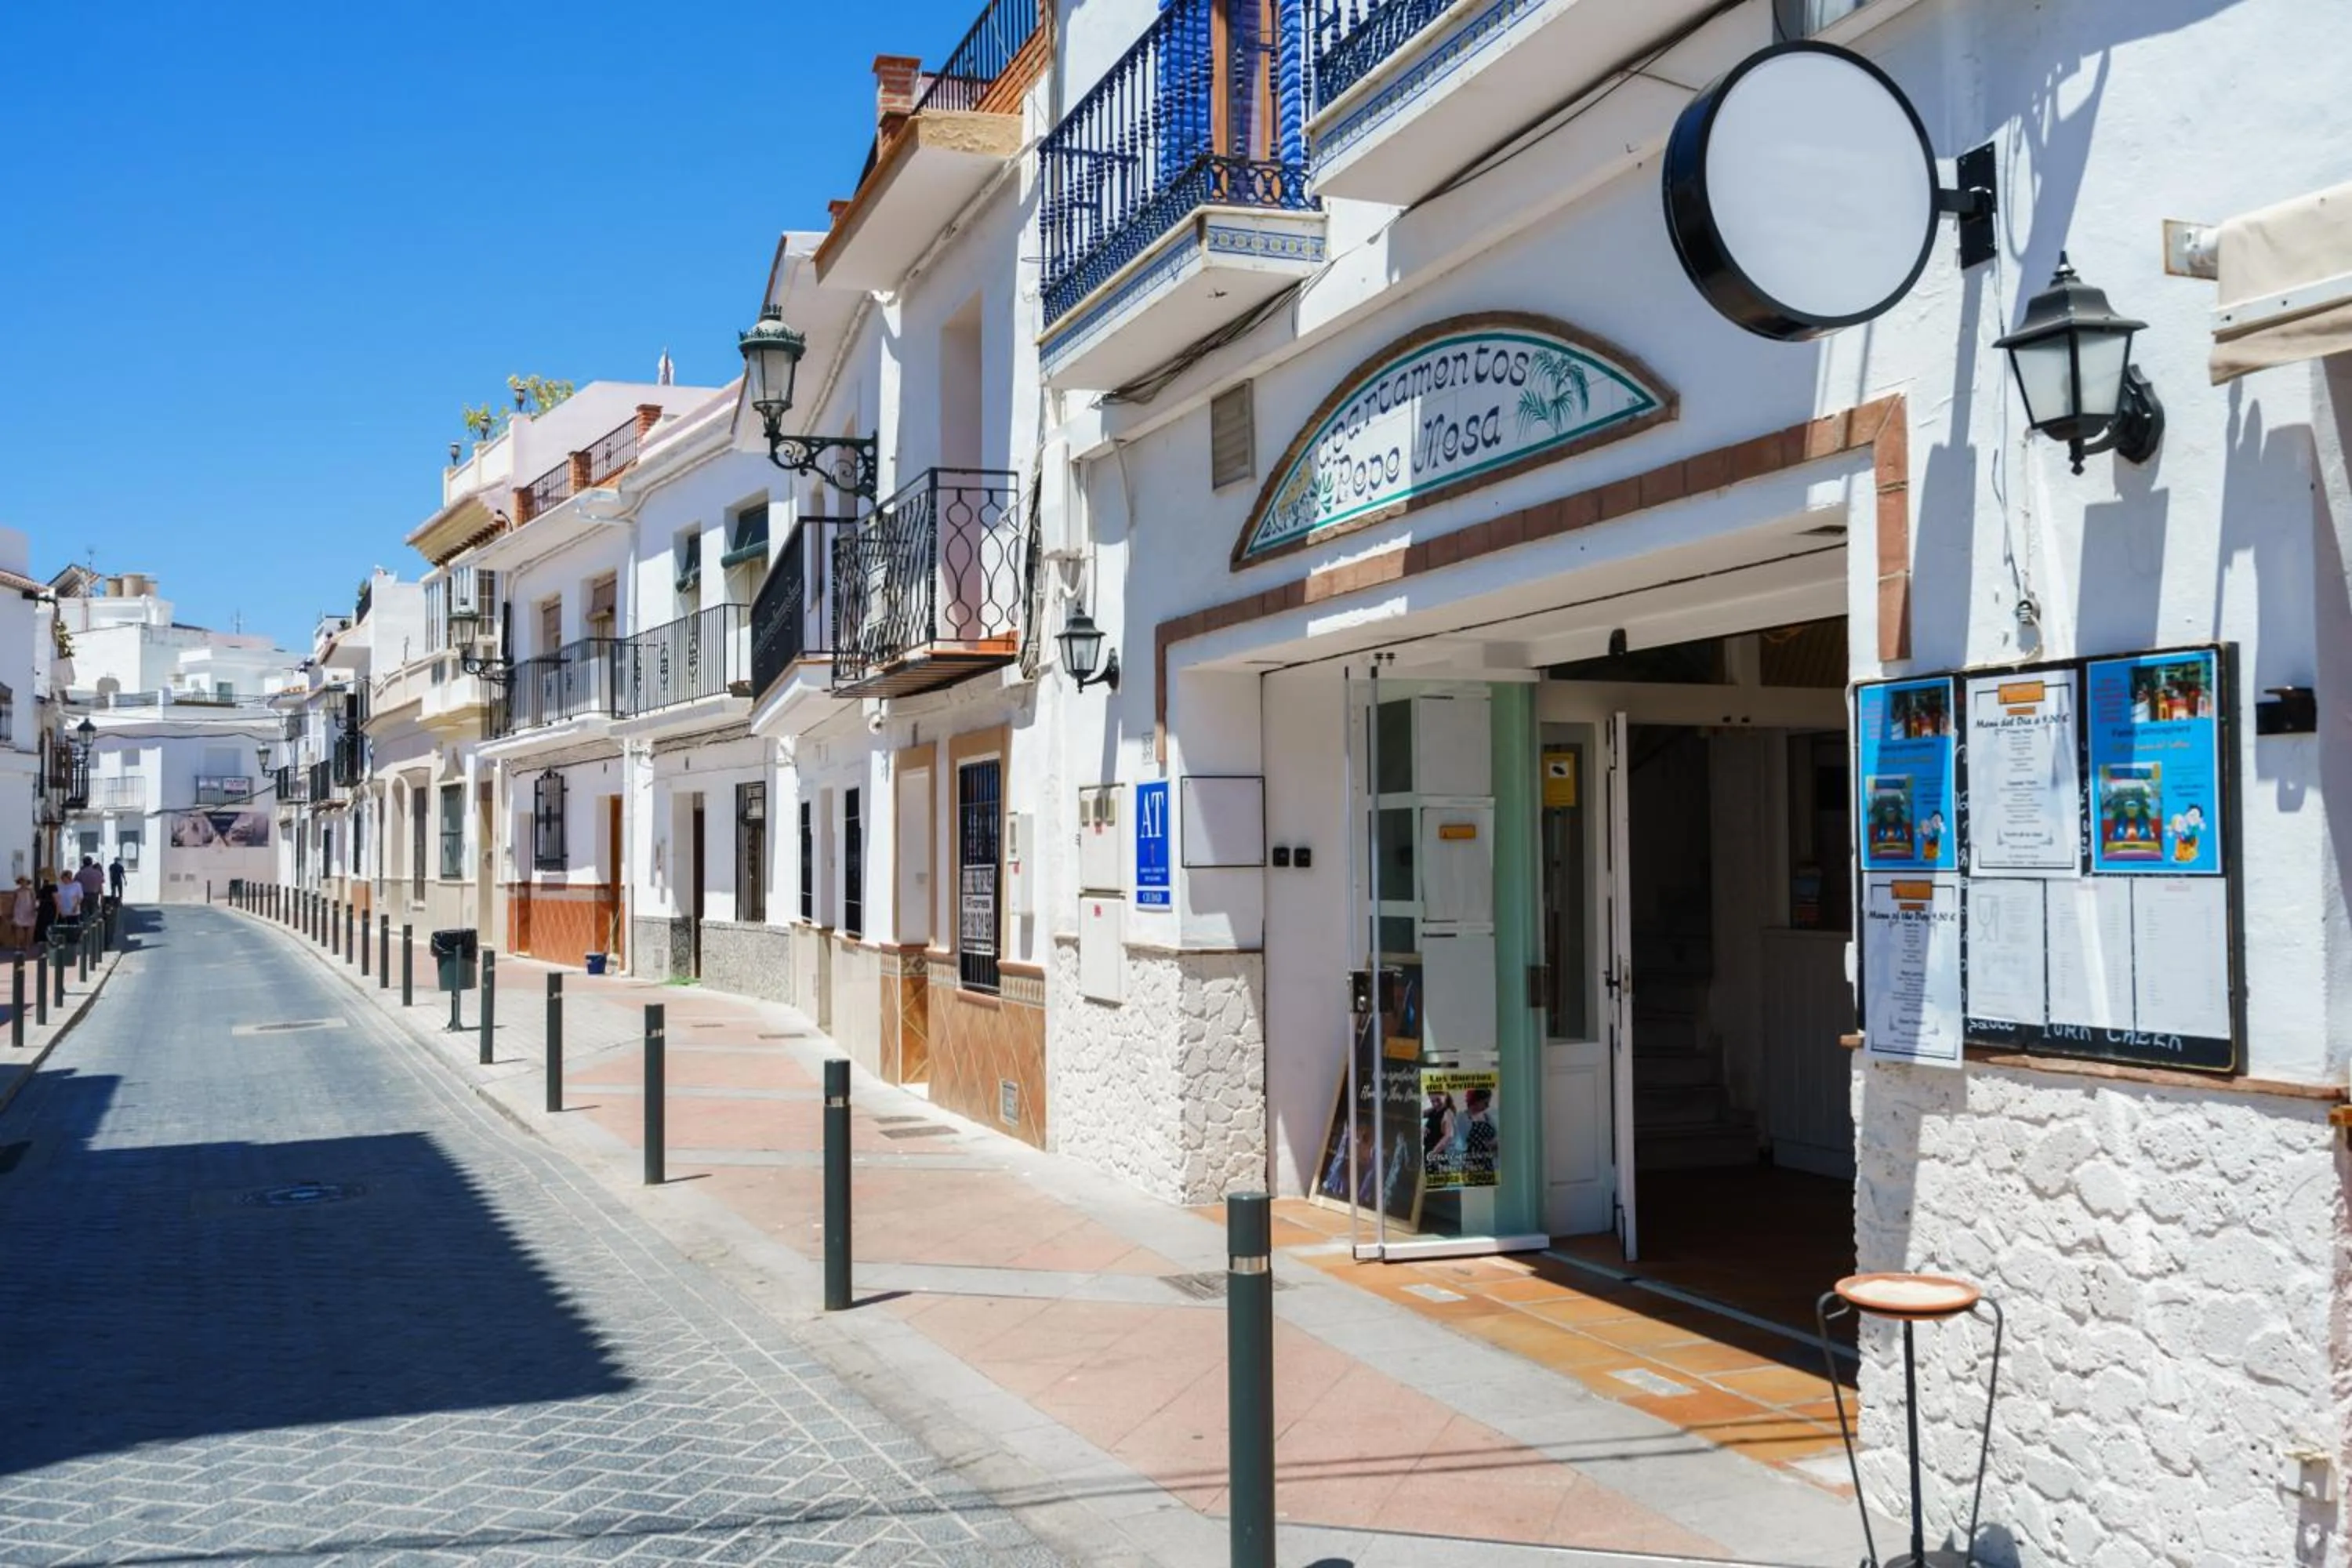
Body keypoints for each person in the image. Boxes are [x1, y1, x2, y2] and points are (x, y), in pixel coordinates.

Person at [8, 876, 32, 953]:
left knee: (27, 928)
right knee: (17, 927)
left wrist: (33, 909)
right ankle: (17, 944)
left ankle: (27, 945)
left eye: (24, 882)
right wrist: (11, 911)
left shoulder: (30, 891)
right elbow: (13, 901)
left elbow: (33, 900)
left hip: (27, 910)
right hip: (18, 909)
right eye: (21, 882)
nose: (23, 883)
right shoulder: (16, 891)